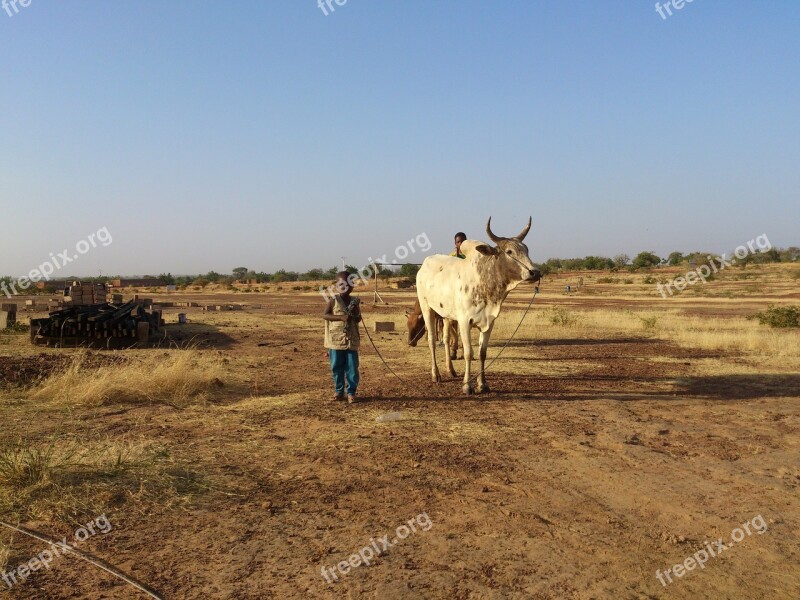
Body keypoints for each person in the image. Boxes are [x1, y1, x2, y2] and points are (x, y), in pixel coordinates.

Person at [323, 271, 362, 403]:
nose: (344, 287)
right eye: (341, 284)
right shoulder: (333, 301)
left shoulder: (354, 301)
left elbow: (358, 320)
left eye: (348, 284)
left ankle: (351, 392)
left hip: (351, 341)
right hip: (336, 340)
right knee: (336, 367)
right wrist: (340, 317)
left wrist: (356, 312)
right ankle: (339, 391)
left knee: (352, 368)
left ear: (352, 286)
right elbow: (325, 315)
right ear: (337, 286)